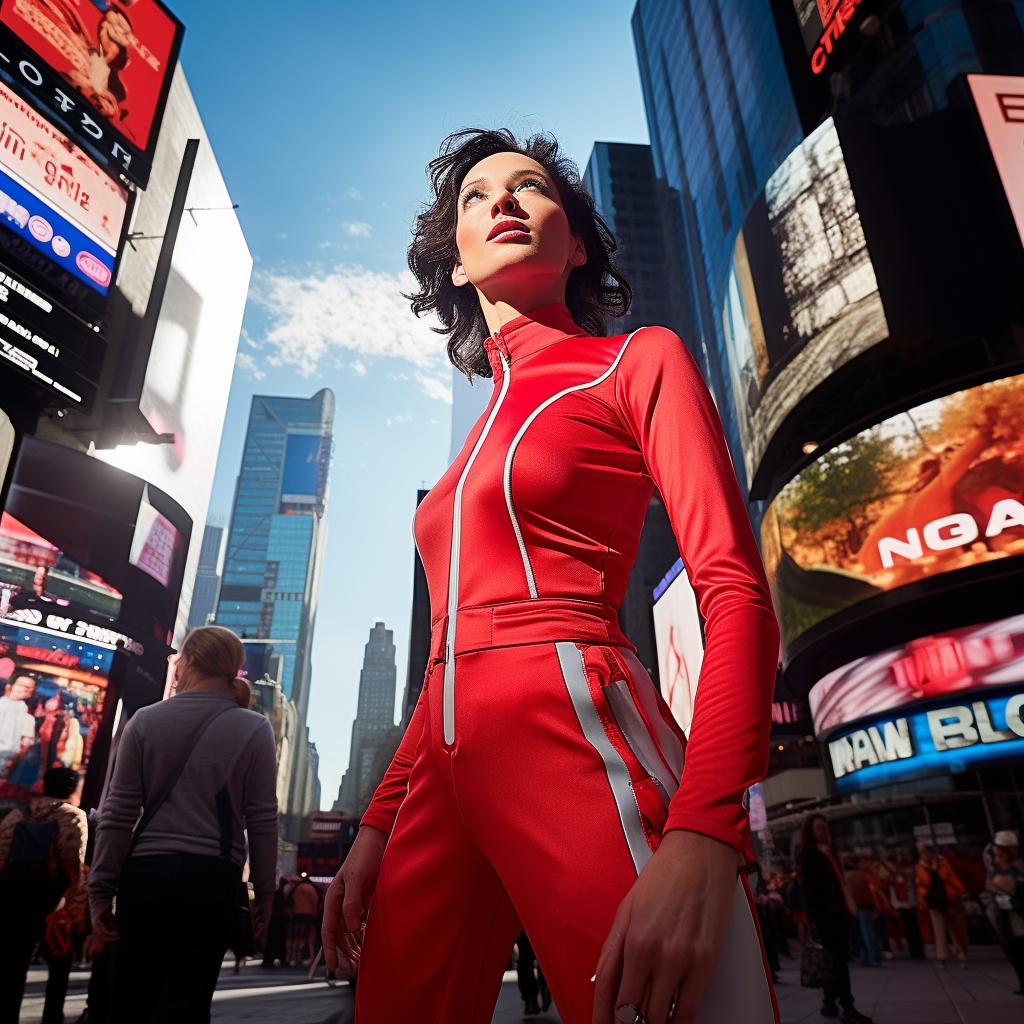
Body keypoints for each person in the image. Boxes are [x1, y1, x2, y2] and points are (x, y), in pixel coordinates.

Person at [321, 128, 781, 1024]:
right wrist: (378, 821)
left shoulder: (635, 361)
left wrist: (704, 831)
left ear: (574, 245)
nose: (502, 200)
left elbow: (733, 589)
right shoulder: (464, 456)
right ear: (454, 265)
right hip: (440, 775)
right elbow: (446, 659)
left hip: (574, 730)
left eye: (532, 188)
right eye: (475, 195)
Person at [87, 625, 279, 1024]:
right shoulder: (254, 728)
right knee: (186, 1008)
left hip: (144, 877)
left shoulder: (144, 721)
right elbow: (262, 820)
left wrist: (101, 891)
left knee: (129, 1003)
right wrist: (265, 892)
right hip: (211, 880)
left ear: (187, 662)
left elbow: (117, 814)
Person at [0, 765, 88, 1024]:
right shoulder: (72, 815)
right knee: (59, 967)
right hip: (52, 900)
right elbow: (75, 861)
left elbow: (2, 856)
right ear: (72, 790)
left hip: (13, 899)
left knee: (12, 968)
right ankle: (52, 1018)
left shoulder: (18, 814)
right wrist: (75, 903)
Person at [796, 814, 872, 1024]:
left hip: (840, 915)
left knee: (834, 962)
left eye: (825, 827)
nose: (824, 831)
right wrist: (808, 919)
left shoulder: (830, 854)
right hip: (825, 918)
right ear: (810, 832)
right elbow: (806, 889)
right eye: (819, 828)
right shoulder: (808, 855)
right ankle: (847, 1006)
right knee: (839, 963)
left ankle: (830, 1004)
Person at [916, 845, 968, 968]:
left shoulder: (943, 864)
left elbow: (952, 879)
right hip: (933, 900)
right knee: (938, 930)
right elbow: (921, 884)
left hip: (948, 898)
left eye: (925, 852)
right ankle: (942, 956)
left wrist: (962, 891)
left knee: (954, 927)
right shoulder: (920, 867)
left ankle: (960, 953)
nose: (924, 855)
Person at [985, 830, 1024, 995]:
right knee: (1012, 949)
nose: (997, 855)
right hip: (1003, 912)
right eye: (996, 852)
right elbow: (989, 885)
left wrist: (1008, 887)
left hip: (1019, 912)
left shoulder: (1019, 867)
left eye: (1001, 852)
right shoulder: (995, 869)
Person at [843, 857, 880, 967]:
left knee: (863, 932)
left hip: (857, 906)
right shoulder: (859, 875)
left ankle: (871, 957)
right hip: (866, 905)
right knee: (868, 932)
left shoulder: (846, 876)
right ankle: (874, 956)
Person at [288, 873, 321, 966]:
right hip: (310, 916)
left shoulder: (296, 889)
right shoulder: (313, 888)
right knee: (310, 938)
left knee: (297, 938)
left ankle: (295, 957)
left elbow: (292, 901)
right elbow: (316, 901)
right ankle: (310, 957)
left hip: (298, 915)